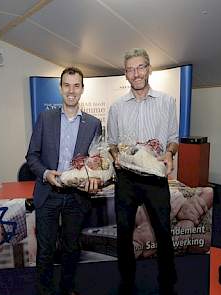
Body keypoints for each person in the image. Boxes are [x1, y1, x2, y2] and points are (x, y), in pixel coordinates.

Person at [107, 48, 179, 295]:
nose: (135, 73)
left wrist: (169, 153)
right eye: (130, 69)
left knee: (163, 232)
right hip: (126, 178)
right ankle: (126, 282)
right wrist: (116, 156)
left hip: (155, 177)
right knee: (124, 233)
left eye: (140, 67)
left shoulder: (167, 102)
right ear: (125, 74)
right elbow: (112, 143)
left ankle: (167, 283)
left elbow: (173, 139)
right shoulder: (117, 107)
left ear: (149, 69)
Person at [26, 67, 102, 295]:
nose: (71, 90)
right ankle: (45, 291)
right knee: (46, 249)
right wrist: (46, 173)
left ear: (82, 89)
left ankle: (67, 288)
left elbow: (96, 161)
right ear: (60, 89)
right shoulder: (45, 118)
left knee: (71, 249)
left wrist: (95, 175)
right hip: (48, 193)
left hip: (76, 197)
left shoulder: (94, 123)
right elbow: (32, 156)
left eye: (76, 85)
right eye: (67, 85)